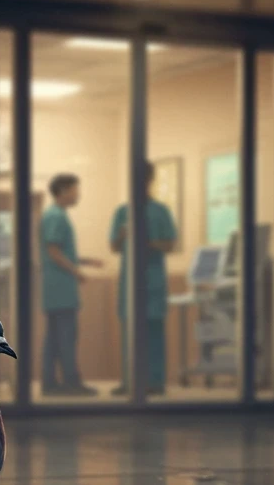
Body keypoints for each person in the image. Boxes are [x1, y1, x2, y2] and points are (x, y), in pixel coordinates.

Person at [108, 161, 178, 396]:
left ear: (150, 180)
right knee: (130, 331)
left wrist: (148, 243)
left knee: (154, 332)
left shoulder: (161, 211)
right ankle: (130, 382)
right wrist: (122, 235)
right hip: (130, 281)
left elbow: (170, 243)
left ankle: (155, 382)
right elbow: (114, 247)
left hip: (154, 280)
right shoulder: (122, 212)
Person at [39, 173, 102, 396]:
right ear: (64, 190)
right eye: (76, 190)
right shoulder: (56, 216)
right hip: (61, 289)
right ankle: (71, 383)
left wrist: (85, 261)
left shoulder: (53, 215)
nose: (78, 195)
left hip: (55, 289)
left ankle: (50, 384)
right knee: (65, 337)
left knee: (55, 338)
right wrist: (77, 272)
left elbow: (60, 251)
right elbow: (54, 251)